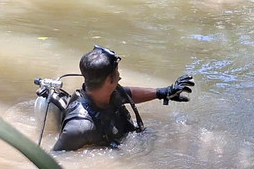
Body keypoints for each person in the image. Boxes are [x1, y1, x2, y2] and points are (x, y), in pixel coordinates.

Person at [52, 45, 194, 151]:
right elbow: (59, 158)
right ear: (109, 80)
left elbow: (127, 94)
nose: (119, 76)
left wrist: (164, 92)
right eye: (117, 72)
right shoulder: (79, 127)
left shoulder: (105, 91)